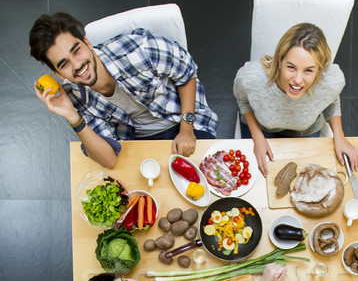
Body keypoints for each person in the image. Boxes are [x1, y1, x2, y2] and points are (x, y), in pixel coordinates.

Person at [29, 12, 218, 169]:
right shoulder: (76, 98)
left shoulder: (140, 48)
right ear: (58, 73)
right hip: (139, 142)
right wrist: (72, 116)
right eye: (64, 64)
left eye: (76, 50)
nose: (77, 65)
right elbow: (109, 160)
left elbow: (186, 71)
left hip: (183, 120)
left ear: (87, 43)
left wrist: (186, 129)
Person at [233, 23, 358, 177]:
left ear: (319, 69)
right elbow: (242, 101)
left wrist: (339, 136)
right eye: (291, 67)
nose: (298, 80)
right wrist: (257, 136)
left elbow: (331, 99)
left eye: (308, 70)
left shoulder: (332, 81)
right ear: (280, 60)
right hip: (262, 128)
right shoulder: (250, 78)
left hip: (305, 131)